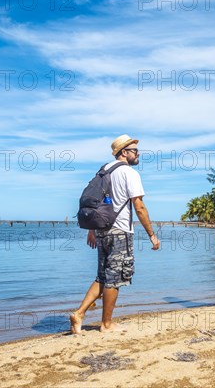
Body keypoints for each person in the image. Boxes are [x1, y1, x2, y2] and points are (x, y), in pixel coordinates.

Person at [70, 134, 160, 334]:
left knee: (102, 276)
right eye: (134, 150)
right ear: (124, 152)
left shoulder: (104, 170)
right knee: (115, 278)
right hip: (120, 231)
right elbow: (139, 206)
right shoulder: (129, 173)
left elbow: (96, 200)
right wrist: (151, 234)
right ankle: (107, 324)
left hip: (102, 229)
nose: (138, 154)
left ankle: (79, 314)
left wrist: (92, 230)